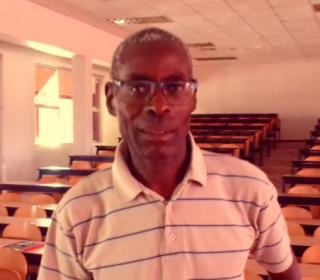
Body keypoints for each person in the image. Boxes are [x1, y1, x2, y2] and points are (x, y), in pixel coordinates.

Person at [38, 27, 301, 280]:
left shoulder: (249, 188)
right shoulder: (77, 210)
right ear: (110, 98)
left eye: (174, 87)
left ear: (193, 98)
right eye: (138, 88)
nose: (159, 106)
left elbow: (284, 270)